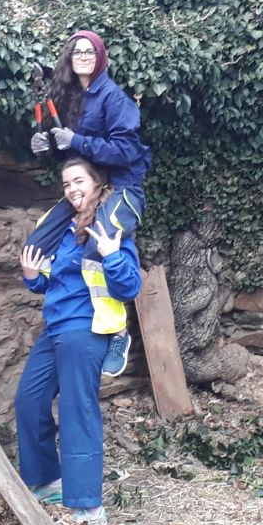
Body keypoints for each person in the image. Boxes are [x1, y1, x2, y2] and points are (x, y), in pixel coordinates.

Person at [15, 157, 143, 525]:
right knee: (28, 400)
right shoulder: (61, 228)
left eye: (78, 181)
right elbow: (50, 282)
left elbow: (129, 287)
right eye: (66, 184)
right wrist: (31, 277)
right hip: (55, 327)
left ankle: (87, 504)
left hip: (87, 329)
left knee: (76, 410)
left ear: (97, 182)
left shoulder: (109, 227)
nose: (72, 189)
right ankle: (46, 481)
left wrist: (112, 256)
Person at [27, 30, 151, 377]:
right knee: (36, 244)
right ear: (69, 58)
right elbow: (70, 157)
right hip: (87, 185)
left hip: (122, 187)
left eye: (89, 51)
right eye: (77, 51)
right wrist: (46, 146)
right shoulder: (68, 98)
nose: (83, 56)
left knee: (99, 243)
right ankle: (63, 310)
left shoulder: (114, 98)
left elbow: (125, 151)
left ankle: (116, 330)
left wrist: (77, 140)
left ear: (100, 58)